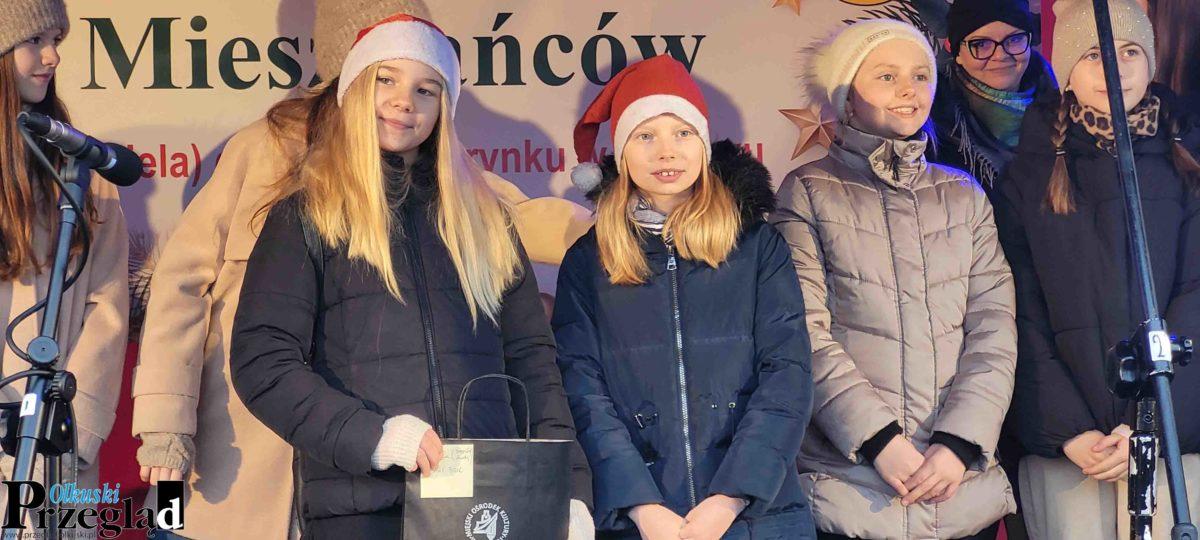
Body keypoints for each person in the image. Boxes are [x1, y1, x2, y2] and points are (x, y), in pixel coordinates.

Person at [129, 2, 592, 538]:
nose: (402, 98)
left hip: (425, 482)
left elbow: (521, 227)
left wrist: (617, 230)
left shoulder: (452, 180)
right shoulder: (266, 153)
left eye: (424, 84)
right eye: (385, 74)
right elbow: (182, 284)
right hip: (255, 452)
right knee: (180, 518)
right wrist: (165, 426)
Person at [771, 19, 1018, 539]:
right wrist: (879, 440)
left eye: (920, 75)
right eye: (886, 76)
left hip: (959, 492)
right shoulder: (808, 191)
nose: (909, 90)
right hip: (851, 491)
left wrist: (959, 444)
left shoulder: (964, 195)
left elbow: (994, 329)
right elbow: (802, 331)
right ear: (847, 98)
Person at [556, 54, 815, 540]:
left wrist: (732, 496)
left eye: (682, 133)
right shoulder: (588, 262)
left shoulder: (757, 247)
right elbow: (583, 391)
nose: (666, 152)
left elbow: (787, 374)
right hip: (641, 521)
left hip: (756, 515)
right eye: (645, 136)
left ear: (703, 144)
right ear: (621, 153)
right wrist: (639, 505)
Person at [995, 1, 1200, 537]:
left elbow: (1196, 299)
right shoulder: (1027, 177)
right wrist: (1068, 430)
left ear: (1151, 61)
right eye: (1095, 55)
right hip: (1073, 450)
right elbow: (1018, 313)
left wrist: (1154, 423)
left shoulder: (1189, 165)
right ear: (1066, 70)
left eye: (1131, 51)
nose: (1116, 66)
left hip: (1177, 442)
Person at [0, 0, 129, 518]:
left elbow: (107, 309)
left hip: (58, 455)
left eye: (56, 40)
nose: (52, 57)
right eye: (34, 40)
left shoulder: (81, 169)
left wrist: (76, 430)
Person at [929, 0, 1058, 193]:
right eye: (981, 44)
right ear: (957, 53)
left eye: (1014, 39)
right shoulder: (934, 128)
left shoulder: (1068, 106)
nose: (1000, 55)